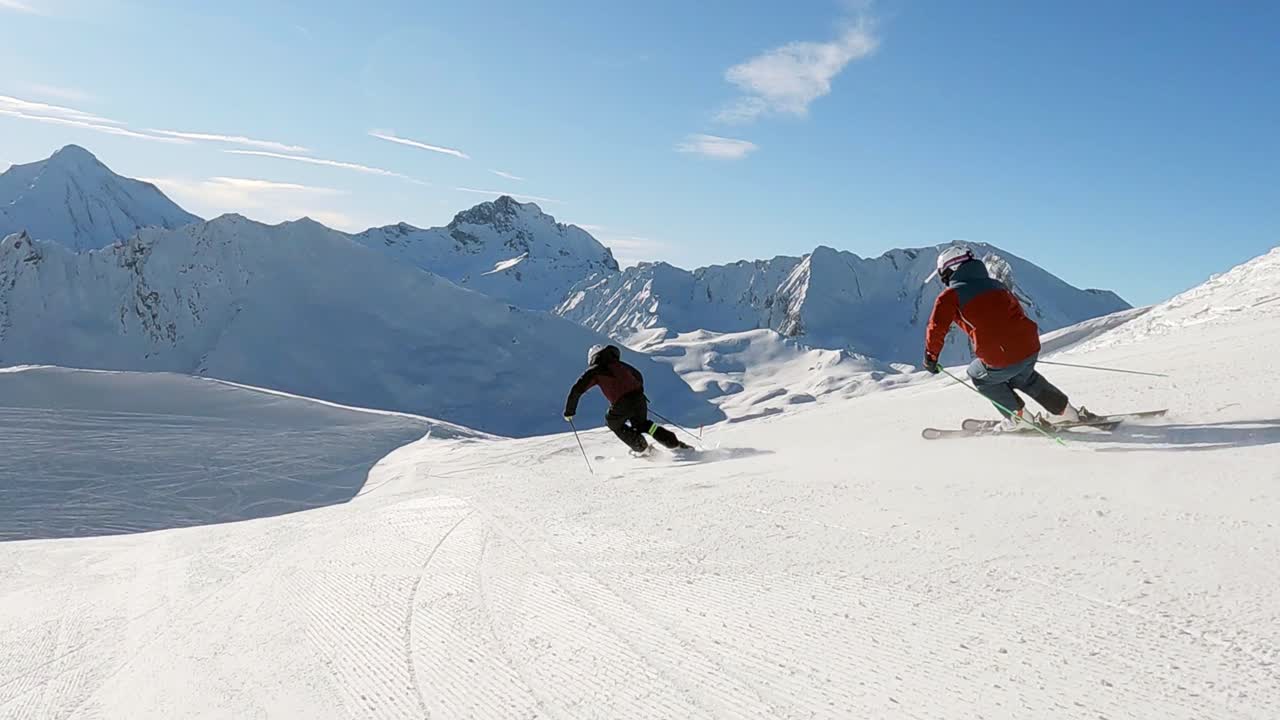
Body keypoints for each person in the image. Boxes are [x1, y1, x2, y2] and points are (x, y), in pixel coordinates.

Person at [922, 246, 1092, 431]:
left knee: (978, 375)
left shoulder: (949, 296)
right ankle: (1066, 412)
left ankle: (1019, 419)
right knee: (1024, 377)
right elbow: (1017, 312)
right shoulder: (997, 285)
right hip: (1029, 346)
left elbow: (936, 328)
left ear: (951, 269)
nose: (944, 280)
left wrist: (930, 358)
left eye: (943, 275)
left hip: (999, 354)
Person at [564, 344, 692, 453]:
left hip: (622, 402)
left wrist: (569, 412)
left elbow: (577, 390)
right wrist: (637, 394)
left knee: (612, 421)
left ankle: (642, 448)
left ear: (593, 358)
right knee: (643, 425)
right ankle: (675, 444)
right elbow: (637, 375)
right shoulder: (620, 364)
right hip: (639, 398)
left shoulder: (595, 370)